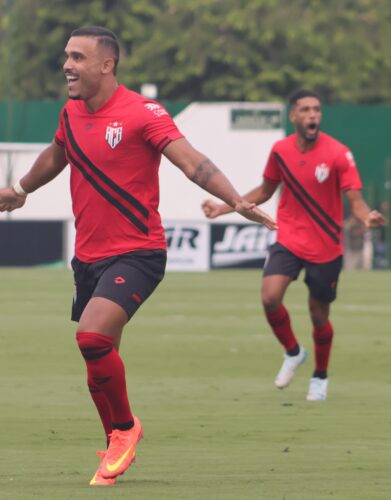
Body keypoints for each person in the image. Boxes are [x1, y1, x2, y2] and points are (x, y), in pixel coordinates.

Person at [0, 26, 276, 486]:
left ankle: (126, 430)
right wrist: (20, 189)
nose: (67, 65)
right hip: (88, 257)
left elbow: (193, 162)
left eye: (78, 57)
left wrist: (235, 200)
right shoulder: (71, 113)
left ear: (106, 65)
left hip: (138, 252)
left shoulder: (142, 112)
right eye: (67, 55)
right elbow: (57, 153)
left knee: (91, 337)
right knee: (98, 364)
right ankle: (114, 443)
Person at [202, 89, 385, 401]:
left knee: (319, 316)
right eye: (306, 109)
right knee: (270, 297)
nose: (313, 114)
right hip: (288, 238)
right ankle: (293, 351)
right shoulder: (280, 150)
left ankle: (320, 376)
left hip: (326, 247)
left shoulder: (339, 153)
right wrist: (223, 207)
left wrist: (367, 217)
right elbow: (265, 190)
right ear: (293, 116)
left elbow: (356, 201)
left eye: (317, 109)